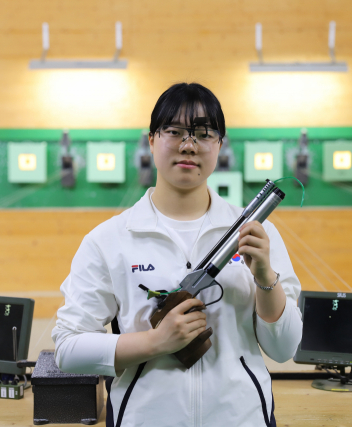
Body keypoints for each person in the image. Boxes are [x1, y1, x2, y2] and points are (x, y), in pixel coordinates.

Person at [52, 82, 303, 427]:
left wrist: (264, 278)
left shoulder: (258, 234)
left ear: (219, 145)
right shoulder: (108, 240)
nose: (188, 145)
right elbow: (68, 349)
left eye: (203, 133)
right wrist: (155, 342)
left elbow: (284, 349)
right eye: (174, 131)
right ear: (152, 140)